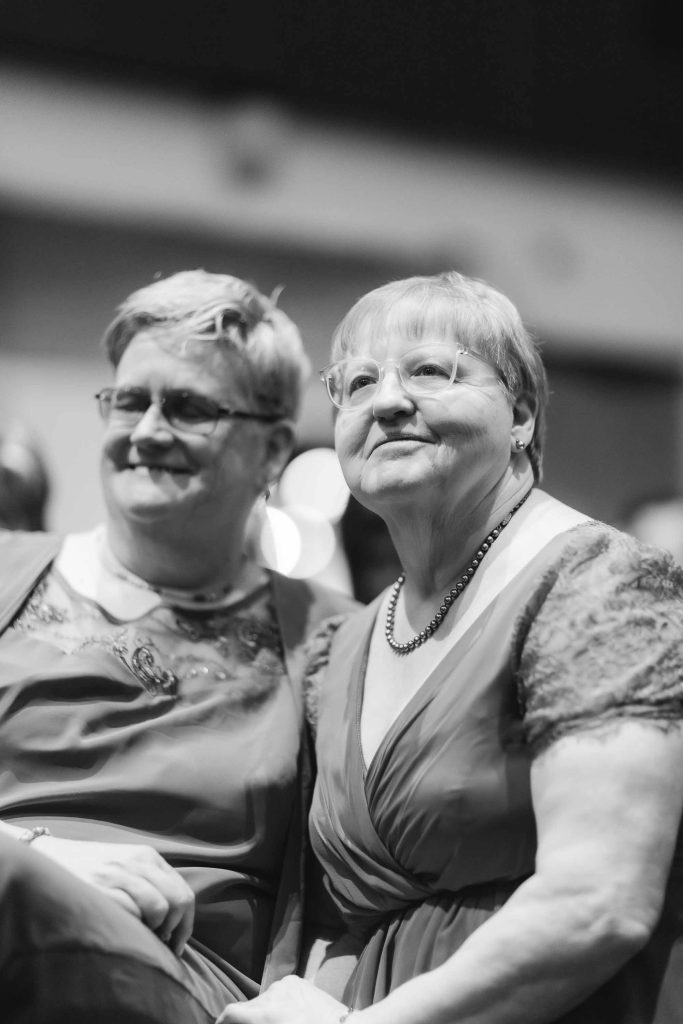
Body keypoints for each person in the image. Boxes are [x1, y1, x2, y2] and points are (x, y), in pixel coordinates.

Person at [219, 271, 683, 1024]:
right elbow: (343, 921)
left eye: (431, 371)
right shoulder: (343, 646)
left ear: (522, 413)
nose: (388, 400)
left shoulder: (600, 586)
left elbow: (601, 904)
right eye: (358, 383)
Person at [0, 269, 358, 1023]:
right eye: (130, 399)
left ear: (271, 450)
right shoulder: (7, 572)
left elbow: (376, 881)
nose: (147, 430)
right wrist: (37, 850)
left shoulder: (335, 638)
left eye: (189, 407)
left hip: (180, 978)